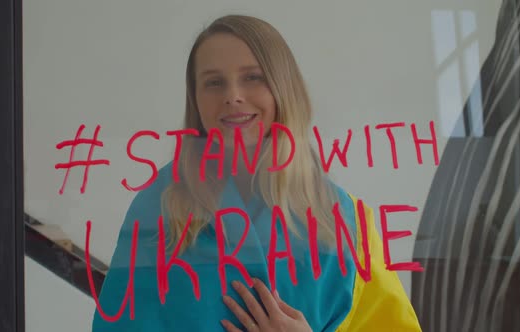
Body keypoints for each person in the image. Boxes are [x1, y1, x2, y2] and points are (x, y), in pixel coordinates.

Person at [92, 14, 421, 331]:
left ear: (283, 88)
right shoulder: (157, 210)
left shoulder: (346, 222)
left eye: (253, 77)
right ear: (196, 99)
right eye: (214, 82)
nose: (232, 96)